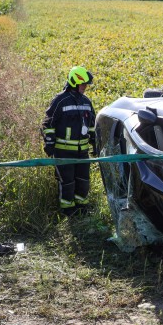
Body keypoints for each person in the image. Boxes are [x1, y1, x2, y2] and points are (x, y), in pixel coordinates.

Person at [41, 66, 96, 216]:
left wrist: (94, 143)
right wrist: (50, 144)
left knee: (83, 181)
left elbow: (92, 125)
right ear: (75, 82)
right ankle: (68, 211)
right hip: (63, 152)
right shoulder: (60, 100)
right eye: (83, 84)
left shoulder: (86, 102)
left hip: (82, 153)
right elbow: (48, 123)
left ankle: (82, 209)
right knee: (67, 183)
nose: (85, 87)